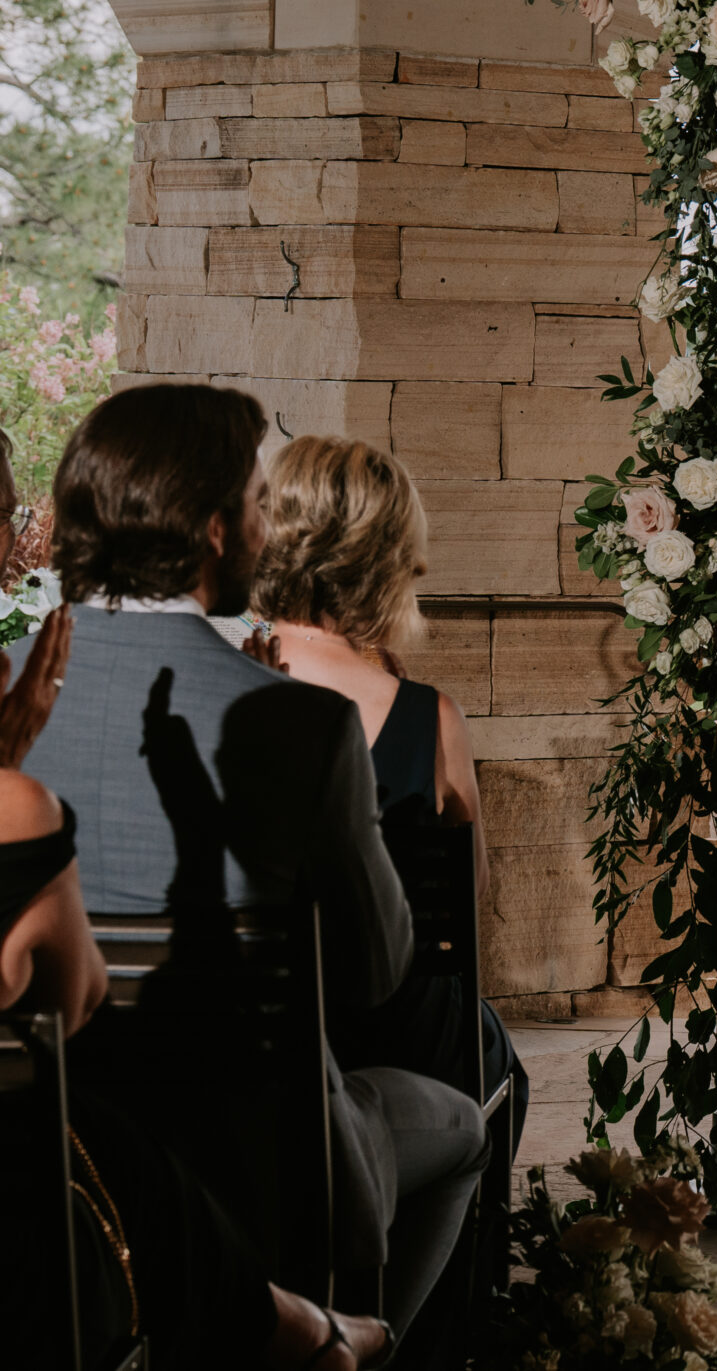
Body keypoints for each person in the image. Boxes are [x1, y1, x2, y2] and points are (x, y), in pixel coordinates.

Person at [10, 384, 487, 1339]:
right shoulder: (304, 723)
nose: (269, 534)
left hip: (53, 1152)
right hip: (261, 1154)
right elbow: (378, 970)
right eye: (261, 505)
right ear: (218, 529)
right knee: (464, 1128)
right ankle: (354, 1339)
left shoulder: (7, 694)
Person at [248, 432, 527, 1333]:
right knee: (498, 1058)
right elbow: (466, 912)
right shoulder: (424, 717)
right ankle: (438, 1320)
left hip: (256, 1027)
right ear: (385, 560)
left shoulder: (227, 689)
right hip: (399, 1033)